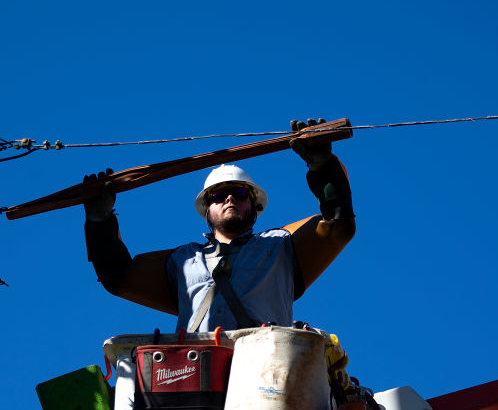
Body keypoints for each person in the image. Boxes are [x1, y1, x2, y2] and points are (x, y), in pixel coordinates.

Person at [83, 119, 355, 332]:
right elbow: (118, 278)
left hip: (264, 374)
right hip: (198, 378)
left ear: (254, 207)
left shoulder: (280, 245)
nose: (228, 198)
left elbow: (337, 226)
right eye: (218, 195)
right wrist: (99, 221)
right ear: (206, 210)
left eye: (239, 194)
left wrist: (323, 168)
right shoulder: (182, 260)